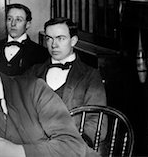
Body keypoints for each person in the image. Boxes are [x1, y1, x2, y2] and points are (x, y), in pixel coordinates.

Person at [25, 17, 107, 147]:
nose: (54, 45)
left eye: (60, 38)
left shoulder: (90, 75)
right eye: (49, 38)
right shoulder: (33, 72)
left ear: (73, 41)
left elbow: (97, 122)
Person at [0, 3, 48, 76]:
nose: (13, 24)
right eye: (9, 19)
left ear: (28, 24)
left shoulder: (41, 53)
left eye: (18, 20)